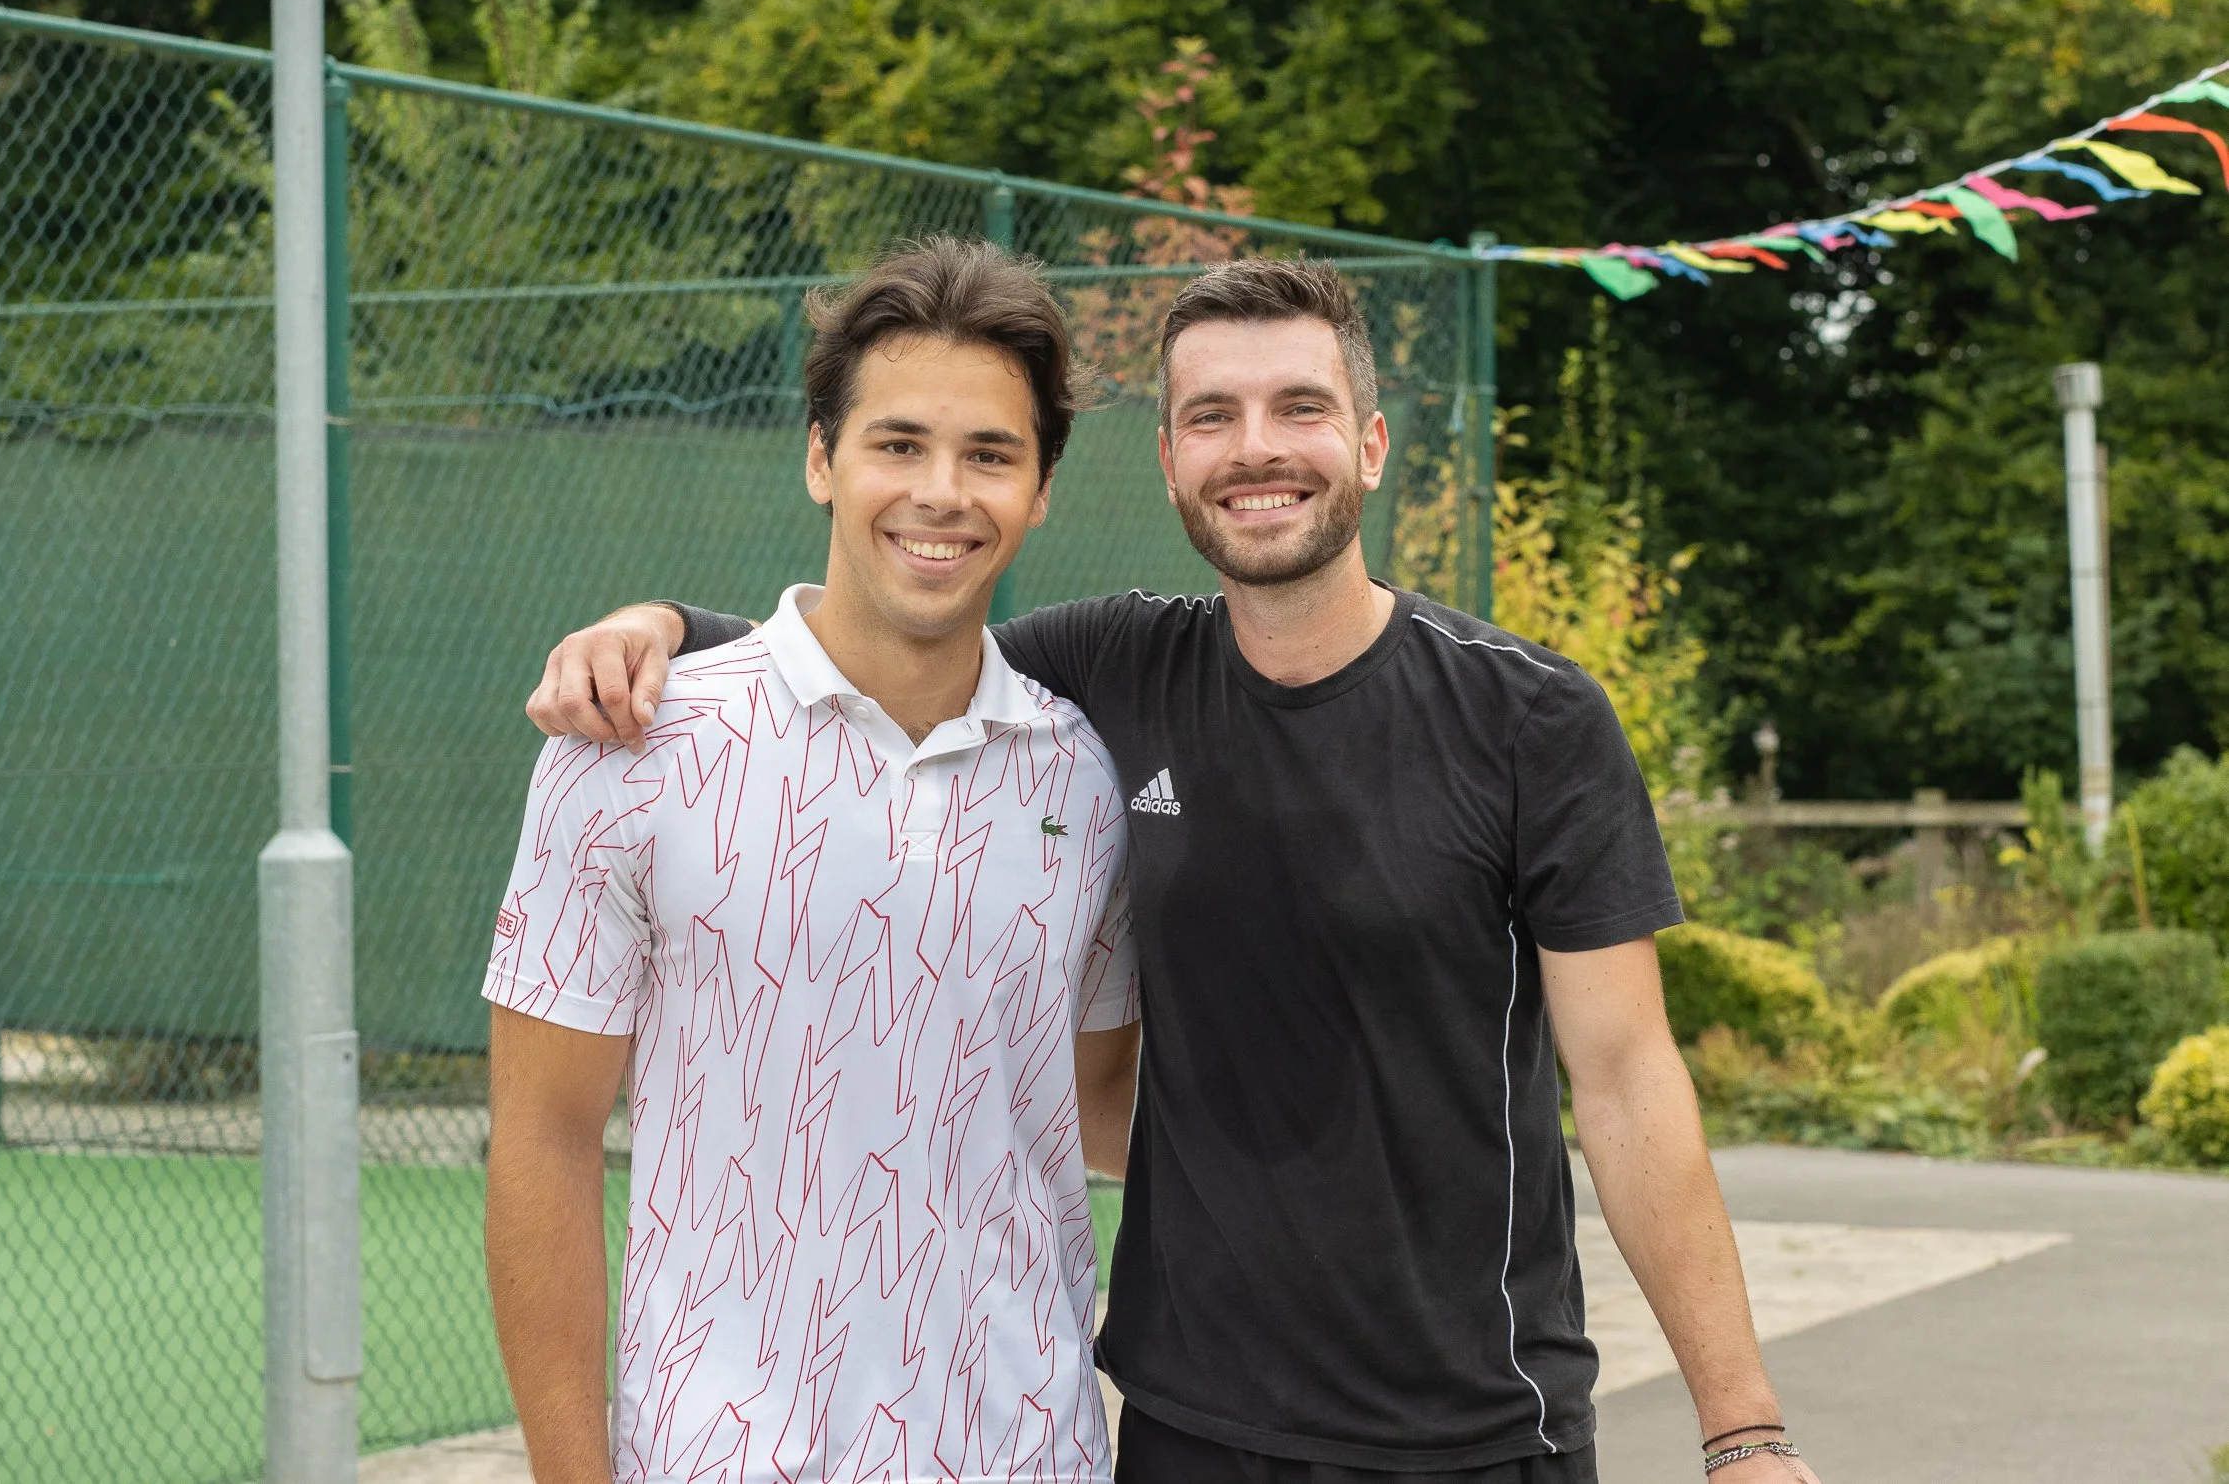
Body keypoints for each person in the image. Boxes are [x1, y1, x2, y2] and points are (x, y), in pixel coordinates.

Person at [528, 258, 1825, 1484]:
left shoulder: (1529, 720)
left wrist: (1741, 1429)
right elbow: (884, 634)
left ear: (1367, 445)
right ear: (1168, 464)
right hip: (1185, 1430)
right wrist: (659, 635)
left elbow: (1627, 1077)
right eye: (1213, 415)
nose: (1255, 446)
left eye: (1298, 408)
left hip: (1474, 1426)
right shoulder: (1116, 676)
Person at [483, 236, 1144, 1484]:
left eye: (990, 455)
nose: (941, 492)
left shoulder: (1086, 778)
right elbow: (542, 1142)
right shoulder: (630, 744)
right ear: (819, 459)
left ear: (1041, 488)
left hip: (1030, 1457)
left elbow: (1102, 1104)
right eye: (898, 444)